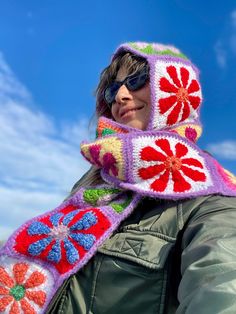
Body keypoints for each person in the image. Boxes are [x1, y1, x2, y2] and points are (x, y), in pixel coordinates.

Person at [1, 42, 236, 314]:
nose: (121, 96)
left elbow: (221, 285)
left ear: (177, 89)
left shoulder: (213, 199)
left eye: (136, 80)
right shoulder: (95, 187)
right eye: (113, 90)